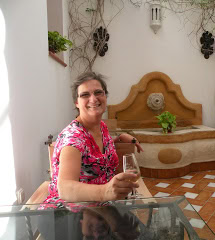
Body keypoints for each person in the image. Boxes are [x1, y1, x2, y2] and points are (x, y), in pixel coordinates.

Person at [41, 72, 143, 209]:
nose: (93, 99)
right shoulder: (73, 138)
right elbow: (65, 188)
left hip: (103, 208)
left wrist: (119, 138)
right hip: (72, 213)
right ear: (76, 102)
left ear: (105, 96)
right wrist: (106, 191)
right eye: (85, 95)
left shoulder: (101, 127)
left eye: (98, 92)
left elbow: (95, 154)